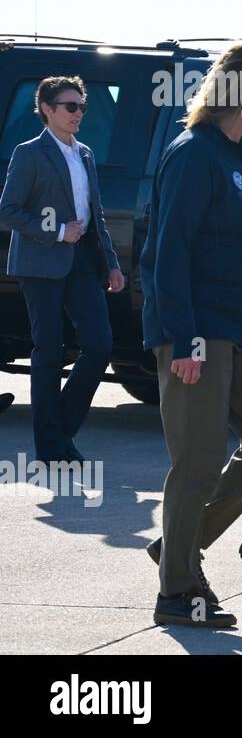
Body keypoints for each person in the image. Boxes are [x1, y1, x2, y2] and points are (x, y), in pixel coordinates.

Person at [137, 42, 242, 629]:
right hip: (199, 334)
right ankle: (178, 592)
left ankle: (177, 545)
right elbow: (168, 254)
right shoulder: (193, 154)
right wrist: (182, 339)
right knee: (199, 462)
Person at [0, 76, 124, 464]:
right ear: (47, 110)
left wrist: (113, 264)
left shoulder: (85, 153)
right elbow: (8, 210)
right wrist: (55, 230)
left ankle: (60, 429)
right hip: (40, 264)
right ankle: (52, 448)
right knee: (49, 351)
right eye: (70, 107)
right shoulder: (29, 153)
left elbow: (96, 214)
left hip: (84, 263)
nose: (78, 114)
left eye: (82, 107)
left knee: (100, 343)